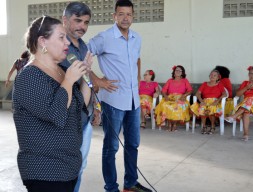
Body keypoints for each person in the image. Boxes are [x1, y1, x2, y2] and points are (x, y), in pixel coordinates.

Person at [13, 16, 92, 192]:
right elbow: (56, 114)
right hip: (44, 170)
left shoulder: (63, 71)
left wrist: (86, 76)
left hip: (68, 166)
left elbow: (80, 106)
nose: (67, 43)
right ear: (43, 42)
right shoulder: (29, 76)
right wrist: (70, 80)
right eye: (61, 37)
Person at [87, 0, 152, 191]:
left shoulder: (136, 38)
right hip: (113, 101)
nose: (125, 18)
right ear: (114, 16)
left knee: (132, 144)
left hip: (133, 101)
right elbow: (81, 57)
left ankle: (130, 184)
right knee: (111, 147)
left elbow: (137, 59)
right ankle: (111, 187)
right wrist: (96, 81)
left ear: (133, 16)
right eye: (121, 14)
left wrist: (137, 79)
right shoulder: (104, 38)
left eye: (129, 14)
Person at [61, 2, 93, 191]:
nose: (82, 26)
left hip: (84, 117)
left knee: (80, 166)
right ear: (65, 20)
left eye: (86, 22)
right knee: (65, 169)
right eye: (78, 20)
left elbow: (87, 78)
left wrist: (95, 107)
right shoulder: (57, 46)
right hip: (65, 119)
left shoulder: (83, 46)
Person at [225, 66, 253, 141]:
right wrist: (246, 88)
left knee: (249, 100)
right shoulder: (245, 83)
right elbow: (238, 95)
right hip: (246, 105)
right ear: (248, 74)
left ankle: (234, 116)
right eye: (251, 73)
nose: (252, 75)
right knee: (246, 112)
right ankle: (246, 135)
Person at [155, 65, 192, 132]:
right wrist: (165, 96)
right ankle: (169, 124)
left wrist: (184, 96)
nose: (178, 71)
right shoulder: (170, 80)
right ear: (174, 72)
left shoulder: (185, 80)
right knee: (165, 105)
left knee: (177, 106)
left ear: (182, 73)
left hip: (180, 97)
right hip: (170, 97)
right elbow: (163, 90)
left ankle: (174, 125)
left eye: (180, 70)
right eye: (176, 70)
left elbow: (190, 90)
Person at [190, 69, 227, 134]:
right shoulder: (204, 84)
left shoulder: (219, 85)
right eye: (211, 75)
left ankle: (212, 126)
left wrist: (217, 100)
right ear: (209, 76)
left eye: (214, 75)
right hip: (205, 101)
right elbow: (197, 94)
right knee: (202, 108)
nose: (212, 76)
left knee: (211, 108)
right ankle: (204, 127)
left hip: (215, 102)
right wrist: (201, 101)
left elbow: (225, 94)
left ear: (218, 77)